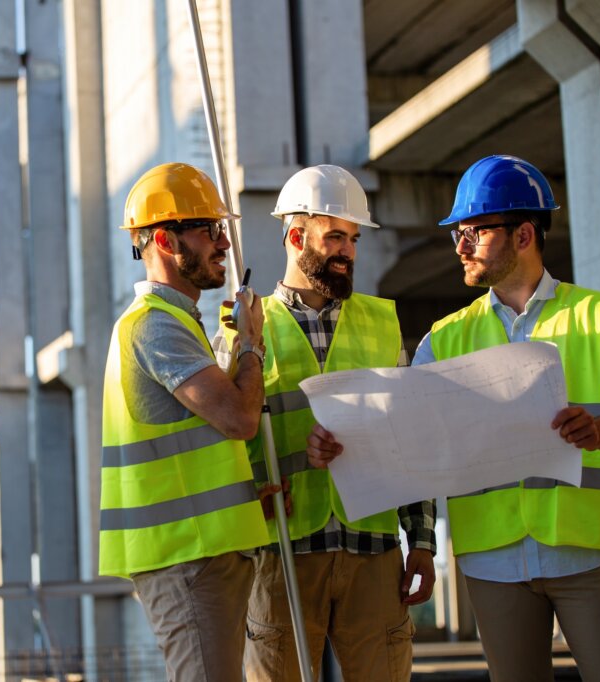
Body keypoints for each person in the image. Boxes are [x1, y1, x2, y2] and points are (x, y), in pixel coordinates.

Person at [411, 155, 600, 681]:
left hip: (586, 553)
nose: (460, 247)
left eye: (474, 232)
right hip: (492, 560)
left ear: (523, 234)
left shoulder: (598, 316)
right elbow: (409, 436)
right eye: (457, 233)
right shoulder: (442, 339)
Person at [215, 165, 437, 682]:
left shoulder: (383, 323)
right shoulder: (243, 328)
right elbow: (221, 443)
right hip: (283, 554)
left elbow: (412, 437)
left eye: (354, 239)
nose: (348, 251)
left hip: (374, 551)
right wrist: (247, 503)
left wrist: (422, 542)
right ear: (296, 237)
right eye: (335, 236)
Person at [98, 162, 278, 682]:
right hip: (189, 559)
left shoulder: (177, 322)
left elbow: (194, 448)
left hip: (201, 554)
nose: (223, 242)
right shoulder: (155, 326)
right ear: (164, 240)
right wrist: (250, 345)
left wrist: (247, 498)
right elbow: (239, 419)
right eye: (208, 229)